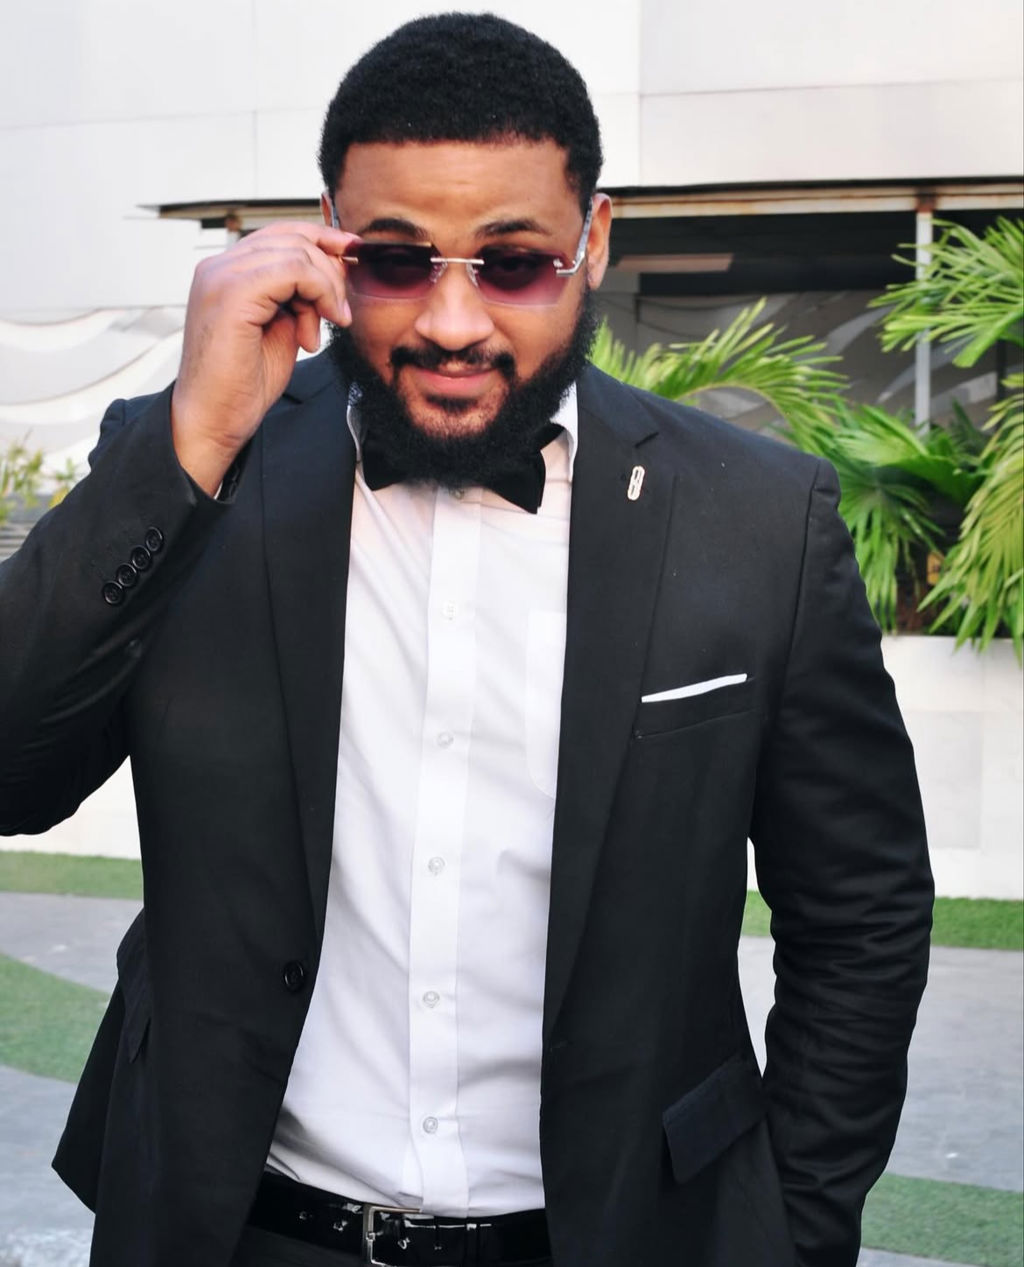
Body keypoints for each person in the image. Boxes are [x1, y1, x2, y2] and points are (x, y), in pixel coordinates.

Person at [0, 14, 933, 1267]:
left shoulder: (760, 519)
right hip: (237, 1231)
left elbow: (861, 913)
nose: (451, 321)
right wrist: (192, 445)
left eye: (513, 264)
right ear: (328, 236)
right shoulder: (193, 462)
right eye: (396, 261)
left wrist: (794, 1229)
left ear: (594, 240)